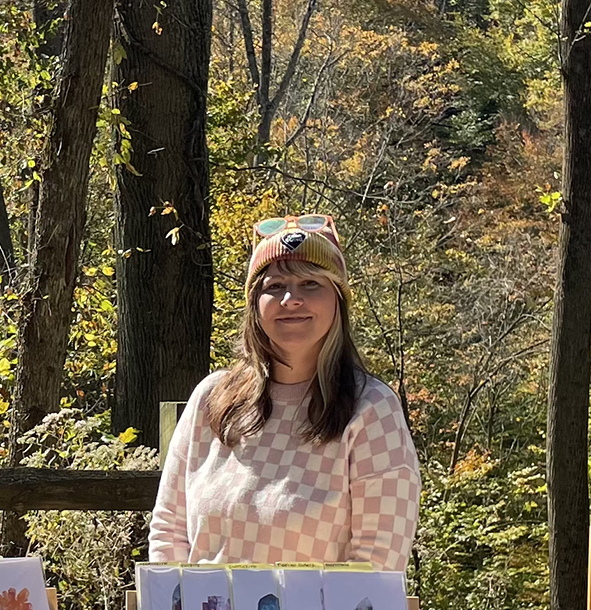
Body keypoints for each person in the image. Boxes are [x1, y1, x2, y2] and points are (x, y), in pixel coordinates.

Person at [149, 215, 420, 572]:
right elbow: (169, 530)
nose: (291, 299)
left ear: (338, 301)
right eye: (274, 286)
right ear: (254, 304)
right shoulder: (210, 399)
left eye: (310, 283)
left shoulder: (371, 410)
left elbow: (378, 566)